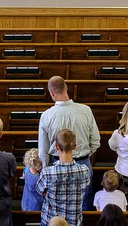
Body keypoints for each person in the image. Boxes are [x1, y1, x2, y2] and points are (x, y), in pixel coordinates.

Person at [38, 76, 100, 211]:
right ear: (66, 88)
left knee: (57, 205)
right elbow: (95, 141)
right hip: (83, 162)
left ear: (52, 93)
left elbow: (43, 150)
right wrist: (85, 154)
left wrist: (44, 169)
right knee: (83, 205)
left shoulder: (46, 115)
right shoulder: (86, 110)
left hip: (56, 164)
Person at [37, 129, 91, 226]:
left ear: (56, 146)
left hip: (51, 221)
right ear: (74, 146)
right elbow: (85, 187)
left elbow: (40, 191)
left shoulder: (47, 172)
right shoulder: (85, 170)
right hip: (74, 222)